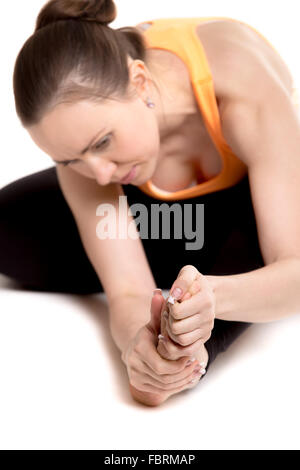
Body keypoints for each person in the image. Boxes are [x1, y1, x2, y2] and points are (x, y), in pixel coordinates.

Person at [1, 0, 300, 407]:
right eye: (69, 161)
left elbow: (295, 272)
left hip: (245, 210)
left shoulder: (243, 87)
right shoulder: (80, 139)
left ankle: (199, 318)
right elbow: (125, 291)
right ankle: (185, 298)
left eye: (103, 143)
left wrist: (214, 297)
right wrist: (137, 349)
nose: (100, 175)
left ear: (140, 82)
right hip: (160, 221)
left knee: (254, 245)